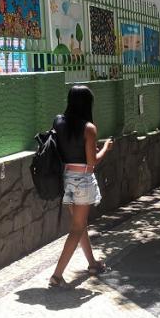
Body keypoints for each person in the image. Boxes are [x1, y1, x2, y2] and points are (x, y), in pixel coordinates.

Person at [50, 85, 113, 289]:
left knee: (80, 223)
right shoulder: (88, 128)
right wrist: (105, 148)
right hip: (83, 179)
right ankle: (57, 275)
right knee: (77, 227)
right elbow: (92, 161)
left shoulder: (59, 121)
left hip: (67, 177)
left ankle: (92, 264)